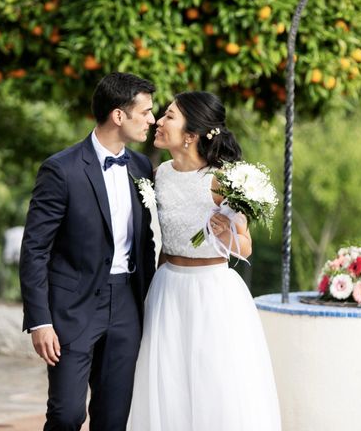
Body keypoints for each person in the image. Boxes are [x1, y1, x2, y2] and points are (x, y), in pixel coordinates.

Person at [128, 91, 281, 431]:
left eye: (169, 116)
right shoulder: (160, 174)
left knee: (215, 381)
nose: (159, 121)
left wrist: (226, 233)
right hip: (168, 288)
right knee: (167, 381)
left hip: (213, 292)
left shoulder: (221, 180)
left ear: (191, 135)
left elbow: (246, 245)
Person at [19, 72, 157, 431]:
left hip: (126, 304)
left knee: (113, 417)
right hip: (72, 308)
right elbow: (34, 248)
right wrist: (40, 320)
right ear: (118, 115)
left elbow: (145, 242)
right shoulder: (61, 169)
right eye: (145, 112)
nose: (151, 120)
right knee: (67, 414)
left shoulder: (142, 167)